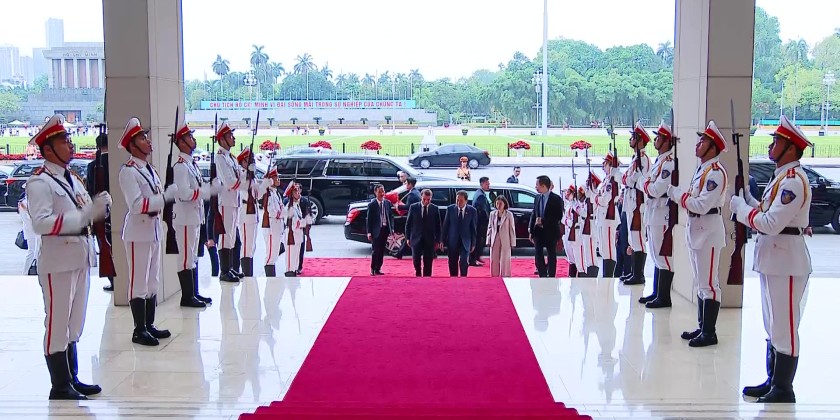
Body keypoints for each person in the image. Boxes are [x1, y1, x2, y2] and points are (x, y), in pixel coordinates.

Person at [26, 114, 110, 400]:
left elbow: (84, 211)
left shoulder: (71, 178)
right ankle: (60, 384)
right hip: (57, 260)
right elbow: (40, 223)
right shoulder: (40, 182)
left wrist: (99, 207)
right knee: (58, 322)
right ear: (48, 149)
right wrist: (82, 216)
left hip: (79, 256)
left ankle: (72, 378)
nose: (70, 145)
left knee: (75, 323)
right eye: (64, 140)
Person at [730, 115, 812, 403]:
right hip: (774, 258)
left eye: (777, 141)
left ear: (791, 148)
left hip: (786, 261)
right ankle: (773, 380)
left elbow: (772, 223)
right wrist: (749, 201)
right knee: (773, 324)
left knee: (785, 326)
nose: (771, 145)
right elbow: (767, 212)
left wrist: (742, 210)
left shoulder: (793, 182)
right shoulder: (782, 178)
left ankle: (783, 388)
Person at [118, 117, 178, 347]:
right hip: (138, 232)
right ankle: (139, 329)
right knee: (138, 281)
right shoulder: (128, 171)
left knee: (153, 281)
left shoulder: (149, 169)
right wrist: (163, 198)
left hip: (153, 231)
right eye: (143, 138)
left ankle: (149, 324)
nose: (148, 141)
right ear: (132, 145)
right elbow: (136, 205)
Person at [667, 121, 728, 347]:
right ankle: (703, 327)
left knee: (709, 284)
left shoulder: (715, 173)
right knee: (700, 282)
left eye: (703, 141)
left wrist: (678, 195)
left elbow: (701, 204)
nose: (698, 144)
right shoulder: (703, 169)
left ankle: (709, 332)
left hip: (708, 231)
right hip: (697, 229)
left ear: (713, 147)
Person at [172, 122, 218, 308]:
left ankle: (194, 292)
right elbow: (184, 194)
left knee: (192, 256)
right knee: (185, 257)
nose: (193, 139)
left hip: (194, 216)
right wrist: (203, 192)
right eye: (189, 137)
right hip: (185, 218)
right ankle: (187, 296)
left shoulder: (191, 164)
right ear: (181, 142)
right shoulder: (180, 166)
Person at [640, 123, 676, 307]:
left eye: (659, 137)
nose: (656, 140)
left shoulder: (669, 163)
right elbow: (649, 184)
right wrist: (648, 185)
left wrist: (646, 184)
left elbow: (656, 189)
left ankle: (664, 296)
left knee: (663, 257)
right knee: (655, 254)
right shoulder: (660, 161)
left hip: (662, 213)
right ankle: (656, 292)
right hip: (653, 211)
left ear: (667, 141)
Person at [620, 122, 652, 285]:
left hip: (638, 203)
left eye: (633, 137)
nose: (630, 140)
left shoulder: (644, 159)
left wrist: (629, 179)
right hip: (631, 202)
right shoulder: (635, 159)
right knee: (633, 239)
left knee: (638, 238)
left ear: (640, 140)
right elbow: (626, 179)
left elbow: (635, 180)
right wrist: (629, 179)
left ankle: (639, 274)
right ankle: (634, 272)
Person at [214, 122, 245, 282]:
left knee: (231, 236)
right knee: (226, 235)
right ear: (222, 139)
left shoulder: (230, 157)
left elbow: (238, 177)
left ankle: (230, 267)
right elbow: (230, 182)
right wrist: (242, 180)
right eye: (230, 136)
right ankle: (224, 271)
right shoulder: (220, 158)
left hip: (234, 201)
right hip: (226, 201)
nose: (233, 138)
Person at [85, 131, 113, 291]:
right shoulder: (116, 162)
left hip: (101, 212)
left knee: (104, 246)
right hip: (115, 210)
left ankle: (112, 280)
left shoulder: (92, 166)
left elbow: (90, 191)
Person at [529, 175, 563, 277]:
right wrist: (531, 230)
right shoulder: (537, 198)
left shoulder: (556, 199)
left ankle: (551, 275)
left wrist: (543, 221)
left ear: (543, 186)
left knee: (551, 254)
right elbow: (534, 213)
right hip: (538, 231)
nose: (536, 187)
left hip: (551, 231)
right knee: (538, 253)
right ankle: (542, 274)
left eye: (537, 185)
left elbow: (558, 216)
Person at [595, 151, 621, 277]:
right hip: (603, 216)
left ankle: (609, 275)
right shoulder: (607, 179)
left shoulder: (612, 180)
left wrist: (597, 199)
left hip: (609, 216)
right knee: (603, 248)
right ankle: (606, 274)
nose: (603, 166)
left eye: (605, 163)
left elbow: (605, 199)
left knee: (609, 248)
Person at [235, 148, 260, 277]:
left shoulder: (251, 176)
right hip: (245, 213)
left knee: (251, 246)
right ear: (243, 162)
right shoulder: (241, 174)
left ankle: (249, 274)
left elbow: (258, 195)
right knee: (246, 246)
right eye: (250, 160)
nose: (253, 162)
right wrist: (248, 173)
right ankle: (246, 275)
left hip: (253, 213)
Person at [404, 189, 441, 276]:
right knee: (416, 259)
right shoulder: (413, 207)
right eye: (424, 199)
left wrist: (438, 240)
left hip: (429, 238)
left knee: (428, 260)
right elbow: (408, 224)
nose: (426, 201)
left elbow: (438, 226)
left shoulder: (435, 209)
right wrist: (408, 238)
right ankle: (418, 273)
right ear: (421, 197)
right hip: (416, 237)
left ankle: (427, 276)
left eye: (428, 199)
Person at [442, 190, 477, 277]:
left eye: (461, 200)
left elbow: (473, 228)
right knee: (452, 261)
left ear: (466, 200)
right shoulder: (450, 209)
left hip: (466, 240)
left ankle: (463, 278)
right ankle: (453, 278)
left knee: (464, 261)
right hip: (453, 240)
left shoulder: (472, 211)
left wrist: (473, 243)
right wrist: (442, 240)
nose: (458, 202)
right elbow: (445, 226)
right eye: (457, 200)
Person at [260, 169, 284, 276]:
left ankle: (272, 278)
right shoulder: (268, 193)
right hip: (270, 227)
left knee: (274, 254)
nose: (278, 179)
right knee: (270, 255)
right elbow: (272, 212)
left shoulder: (275, 193)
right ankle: (270, 278)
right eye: (276, 177)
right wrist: (281, 213)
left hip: (277, 227)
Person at [366, 184, 394, 276]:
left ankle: (378, 268)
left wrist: (392, 228)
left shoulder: (387, 203)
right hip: (376, 230)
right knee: (375, 250)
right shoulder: (372, 204)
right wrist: (369, 232)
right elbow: (369, 220)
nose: (382, 194)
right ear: (375, 192)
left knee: (382, 250)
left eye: (383, 191)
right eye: (379, 192)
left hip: (385, 230)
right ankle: (373, 268)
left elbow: (391, 216)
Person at [284, 183, 310, 277]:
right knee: (291, 261)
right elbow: (294, 223)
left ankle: (294, 275)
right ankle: (290, 276)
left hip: (298, 236)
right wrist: (304, 222)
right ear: (291, 194)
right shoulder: (289, 207)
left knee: (295, 260)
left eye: (298, 190)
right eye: (296, 191)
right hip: (292, 235)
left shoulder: (296, 205)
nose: (298, 193)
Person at [487, 196, 516, 276]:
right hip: (495, 237)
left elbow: (512, 229)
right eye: (497, 203)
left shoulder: (509, 215)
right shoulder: (492, 214)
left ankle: (505, 275)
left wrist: (513, 242)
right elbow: (490, 227)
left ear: (504, 204)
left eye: (500, 204)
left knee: (505, 259)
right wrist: (488, 240)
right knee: (494, 258)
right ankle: (494, 276)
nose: (499, 205)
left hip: (505, 239)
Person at [396, 177, 421, 259]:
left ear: (410, 184)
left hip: (413, 218)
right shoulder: (416, 192)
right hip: (417, 217)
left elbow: (408, 206)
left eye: (406, 183)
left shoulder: (412, 194)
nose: (405, 185)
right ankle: (399, 253)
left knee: (409, 235)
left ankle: (399, 253)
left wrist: (398, 207)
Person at [470, 176, 491, 266]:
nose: (488, 186)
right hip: (480, 223)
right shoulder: (480, 196)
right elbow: (483, 211)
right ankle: (473, 259)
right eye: (487, 184)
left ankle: (477, 257)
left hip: (478, 223)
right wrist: (488, 220)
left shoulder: (479, 193)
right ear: (482, 184)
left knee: (479, 241)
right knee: (478, 241)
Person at [18, 188, 40, 275]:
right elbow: (31, 218)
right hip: (34, 230)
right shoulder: (27, 203)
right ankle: (28, 271)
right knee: (33, 251)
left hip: (30, 229)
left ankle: (27, 271)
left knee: (33, 251)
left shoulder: (24, 202)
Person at [561, 185, 579, 277]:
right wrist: (566, 221)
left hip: (573, 232)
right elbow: (563, 219)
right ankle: (571, 274)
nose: (567, 194)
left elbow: (573, 221)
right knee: (569, 253)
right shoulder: (568, 204)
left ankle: (575, 274)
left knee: (574, 254)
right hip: (567, 231)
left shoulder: (575, 205)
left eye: (569, 192)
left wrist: (567, 221)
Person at [296, 185, 312, 275]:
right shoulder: (287, 200)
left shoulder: (305, 201)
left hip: (302, 227)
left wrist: (308, 228)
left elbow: (309, 215)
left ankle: (299, 266)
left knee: (301, 248)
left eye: (298, 189)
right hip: (292, 228)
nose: (297, 191)